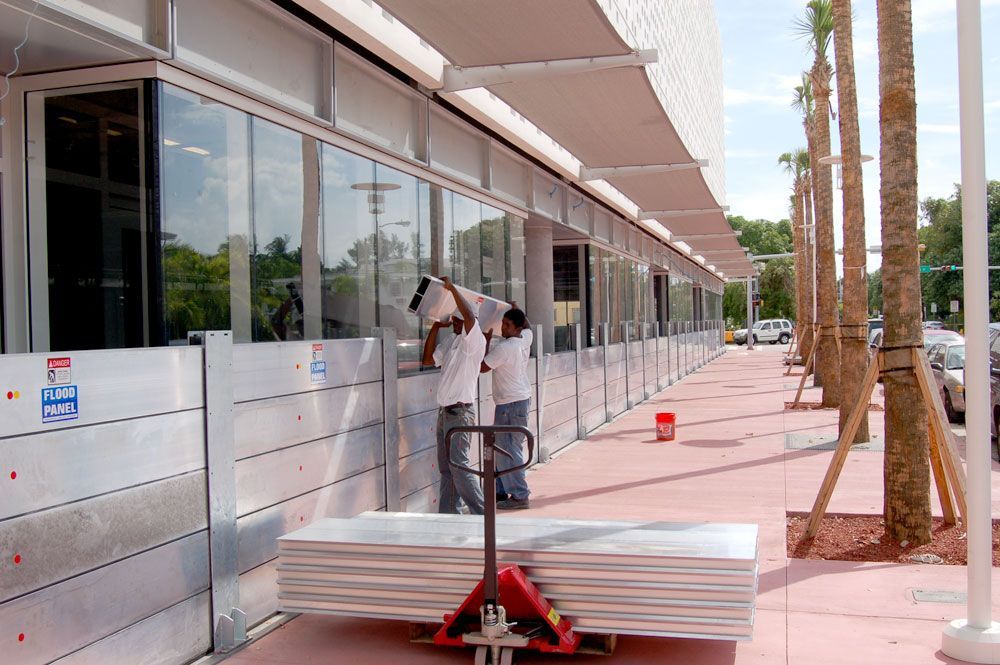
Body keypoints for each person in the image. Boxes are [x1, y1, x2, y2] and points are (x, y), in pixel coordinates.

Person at [421, 276, 486, 515]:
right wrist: (436, 328)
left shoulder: (474, 341)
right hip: (444, 413)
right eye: (454, 320)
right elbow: (428, 360)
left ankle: (483, 513)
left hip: (460, 413)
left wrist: (453, 290)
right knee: (446, 469)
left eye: (458, 319)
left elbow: (470, 318)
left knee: (459, 466)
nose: (455, 323)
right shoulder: (451, 341)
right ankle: (449, 515)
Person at [481, 308, 533, 510]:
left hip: (509, 405)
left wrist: (485, 340)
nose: (502, 327)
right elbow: (528, 326)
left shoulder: (506, 348)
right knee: (508, 447)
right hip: (519, 400)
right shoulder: (525, 338)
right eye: (502, 322)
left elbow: (483, 367)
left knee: (507, 449)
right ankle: (501, 491)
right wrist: (516, 306)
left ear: (516, 328)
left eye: (506, 325)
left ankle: (520, 495)